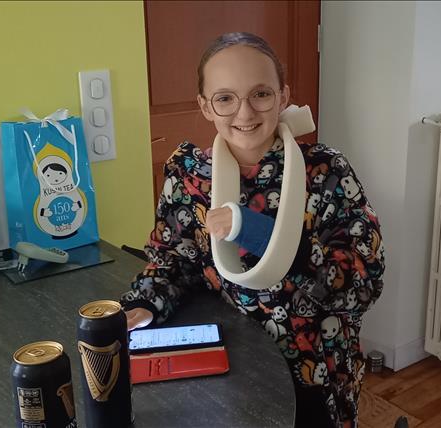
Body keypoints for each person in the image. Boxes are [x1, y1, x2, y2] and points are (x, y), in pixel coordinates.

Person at [120, 32, 385, 428]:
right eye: (225, 98)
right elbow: (174, 260)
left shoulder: (326, 172)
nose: (244, 113)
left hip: (313, 368)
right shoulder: (189, 174)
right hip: (231, 362)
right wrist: (144, 304)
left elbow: (365, 281)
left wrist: (257, 233)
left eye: (260, 94)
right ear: (205, 106)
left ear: (282, 96)